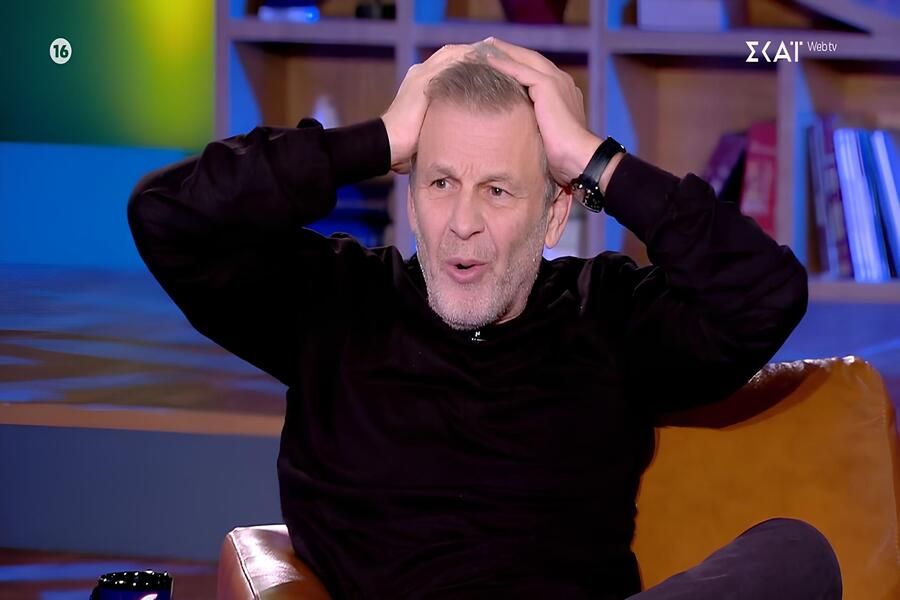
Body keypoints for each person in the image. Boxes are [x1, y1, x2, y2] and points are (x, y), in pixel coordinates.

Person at [128, 38, 840, 599]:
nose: (461, 222)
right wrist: (379, 138)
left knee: (795, 552)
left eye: (498, 190)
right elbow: (167, 216)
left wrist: (594, 160)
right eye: (441, 182)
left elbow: (763, 294)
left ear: (555, 213)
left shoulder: (607, 314)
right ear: (411, 197)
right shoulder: (336, 300)